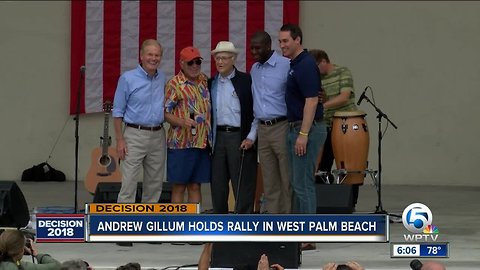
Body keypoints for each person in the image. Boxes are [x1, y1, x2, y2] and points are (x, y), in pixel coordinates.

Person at [279, 24, 327, 251]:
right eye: (280, 41)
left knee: (303, 184)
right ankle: (300, 232)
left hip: (306, 128)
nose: (282, 45)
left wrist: (303, 134)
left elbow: (312, 100)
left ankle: (308, 236)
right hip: (295, 128)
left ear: (298, 40)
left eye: (286, 41)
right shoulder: (295, 64)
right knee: (298, 183)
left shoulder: (306, 65)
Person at [112, 39, 167, 204]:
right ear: (141, 56)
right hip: (134, 134)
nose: (153, 58)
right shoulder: (127, 79)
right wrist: (120, 139)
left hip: (158, 135)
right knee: (128, 182)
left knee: (155, 183)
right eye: (150, 54)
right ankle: (124, 224)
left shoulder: (162, 78)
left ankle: (147, 224)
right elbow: (118, 111)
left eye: (157, 55)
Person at [210, 41, 257, 214]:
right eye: (217, 58)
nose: (220, 62)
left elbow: (256, 111)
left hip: (239, 136)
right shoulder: (211, 83)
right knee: (218, 183)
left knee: (242, 183)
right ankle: (220, 223)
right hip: (218, 137)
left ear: (233, 59)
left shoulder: (246, 81)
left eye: (224, 58)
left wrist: (251, 136)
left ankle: (244, 224)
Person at [309, 49, 361, 206]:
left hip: (345, 124)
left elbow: (344, 96)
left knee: (348, 165)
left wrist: (323, 105)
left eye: (316, 67)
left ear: (324, 61)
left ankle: (350, 202)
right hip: (325, 125)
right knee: (322, 165)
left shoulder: (342, 72)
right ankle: (324, 201)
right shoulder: (317, 78)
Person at [249, 31, 292, 214]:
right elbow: (256, 104)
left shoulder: (286, 65)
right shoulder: (254, 70)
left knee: (286, 178)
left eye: (257, 48)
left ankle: (290, 224)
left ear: (268, 46)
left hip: (282, 126)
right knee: (269, 180)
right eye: (251, 48)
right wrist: (253, 133)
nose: (253, 52)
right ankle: (274, 223)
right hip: (263, 129)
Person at [164, 46, 211, 204]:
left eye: (198, 62)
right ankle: (177, 225)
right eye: (190, 62)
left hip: (201, 143)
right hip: (181, 144)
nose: (195, 66)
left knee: (195, 186)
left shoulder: (204, 80)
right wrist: (182, 121)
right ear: (181, 63)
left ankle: (193, 224)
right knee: (179, 187)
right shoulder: (174, 84)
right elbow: (165, 113)